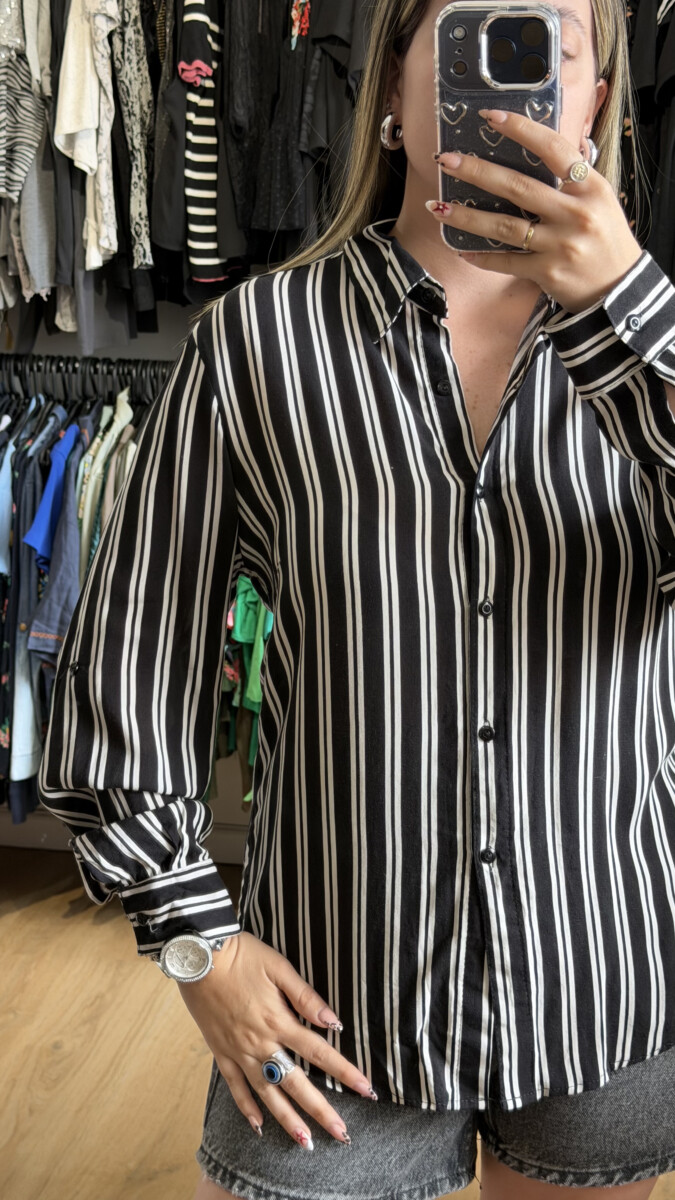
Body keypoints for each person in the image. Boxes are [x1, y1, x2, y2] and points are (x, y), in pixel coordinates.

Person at [38, 0, 675, 1196]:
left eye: (549, 46)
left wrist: (627, 312)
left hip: (602, 980)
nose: (508, 80)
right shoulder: (258, 342)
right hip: (332, 1002)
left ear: (595, 100)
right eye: (475, 35)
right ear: (390, 86)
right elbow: (129, 659)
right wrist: (197, 942)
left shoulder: (663, 347)